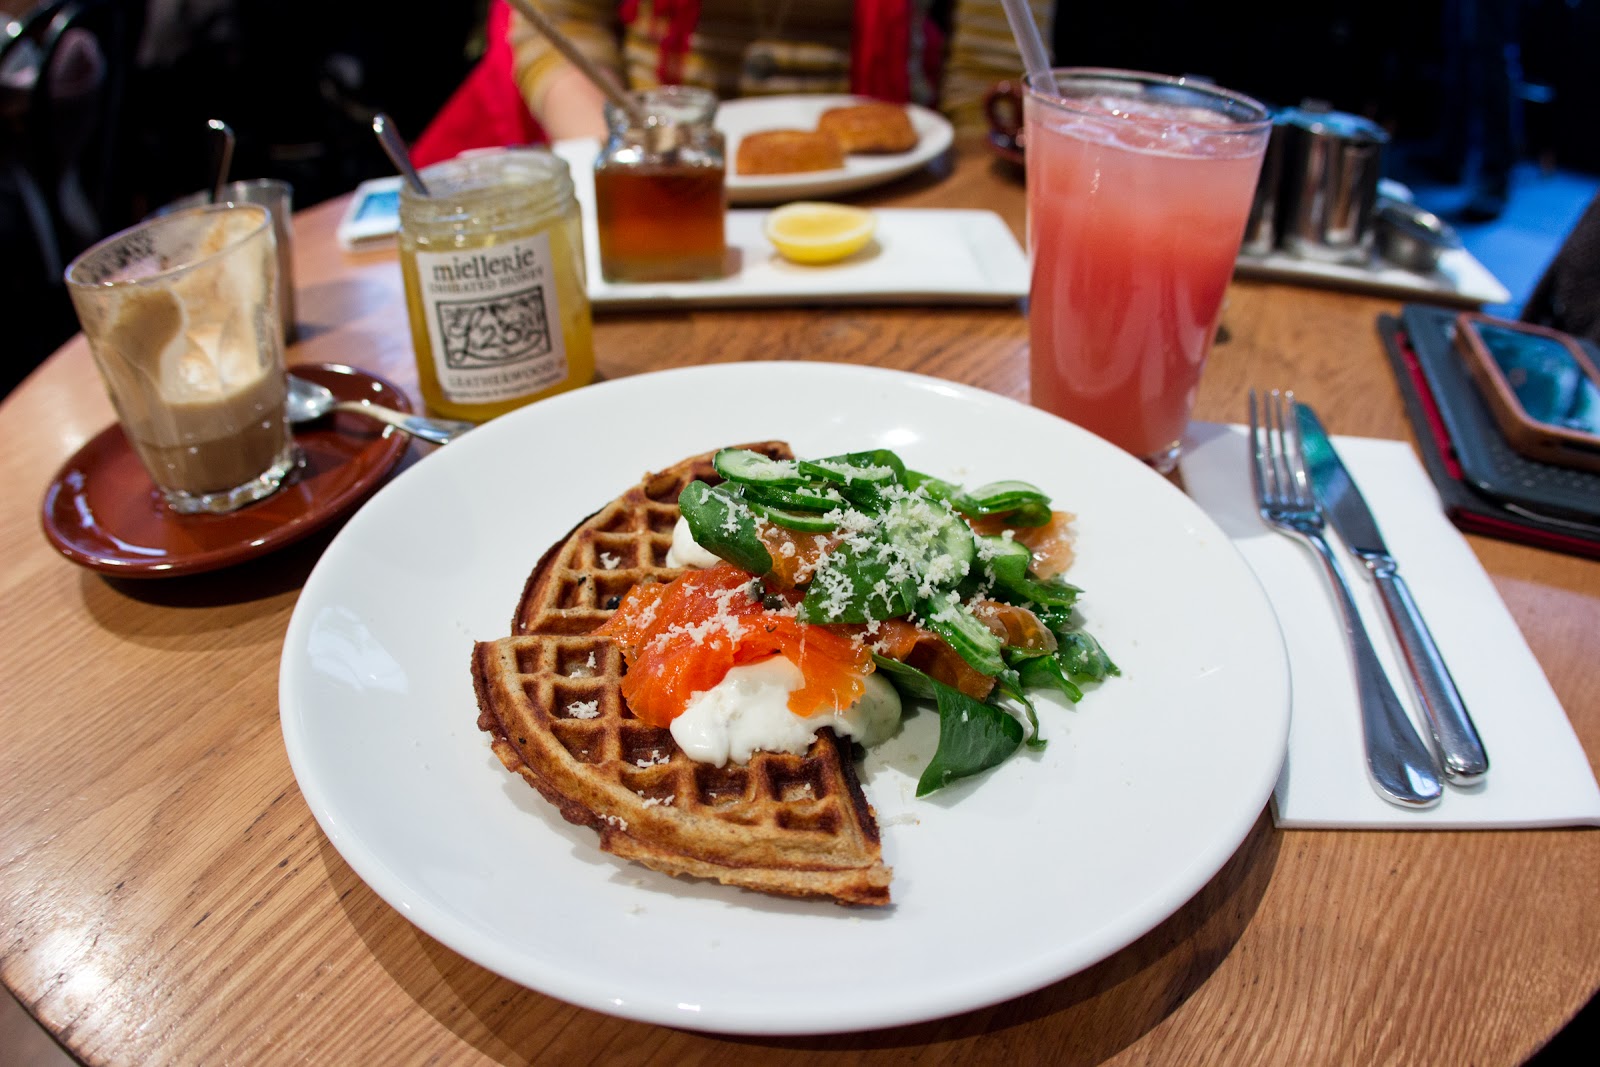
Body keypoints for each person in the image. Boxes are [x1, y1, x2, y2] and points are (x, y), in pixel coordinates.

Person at [507, 0, 1054, 139]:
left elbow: (994, 63)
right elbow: (560, 24)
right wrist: (628, 154)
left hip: (903, 191)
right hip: (665, 171)